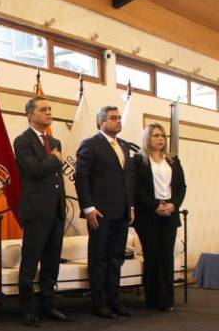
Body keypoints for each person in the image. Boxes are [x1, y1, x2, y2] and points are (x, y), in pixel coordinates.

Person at [75, 105, 134, 319]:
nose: (118, 121)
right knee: (99, 258)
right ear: (101, 122)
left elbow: (129, 179)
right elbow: (81, 177)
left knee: (116, 258)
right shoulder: (90, 144)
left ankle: (115, 301)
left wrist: (131, 206)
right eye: (113, 118)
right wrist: (88, 207)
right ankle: (99, 303)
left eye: (119, 117)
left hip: (122, 212)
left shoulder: (124, 145)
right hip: (99, 212)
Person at [13, 96, 67, 327]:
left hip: (56, 209)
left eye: (50, 109)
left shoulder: (55, 141)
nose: (49, 112)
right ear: (30, 114)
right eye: (43, 109)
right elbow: (34, 170)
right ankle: (28, 309)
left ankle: (48, 304)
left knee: (52, 261)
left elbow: (55, 177)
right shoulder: (22, 141)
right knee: (30, 261)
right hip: (36, 210)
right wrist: (54, 158)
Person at [133, 123, 186, 311]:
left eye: (162, 135)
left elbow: (181, 187)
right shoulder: (139, 160)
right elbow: (137, 189)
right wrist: (155, 206)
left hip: (169, 213)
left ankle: (166, 300)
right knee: (153, 256)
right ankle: (153, 300)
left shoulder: (173, 160)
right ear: (147, 138)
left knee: (166, 257)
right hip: (148, 215)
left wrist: (173, 205)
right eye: (156, 135)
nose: (160, 139)